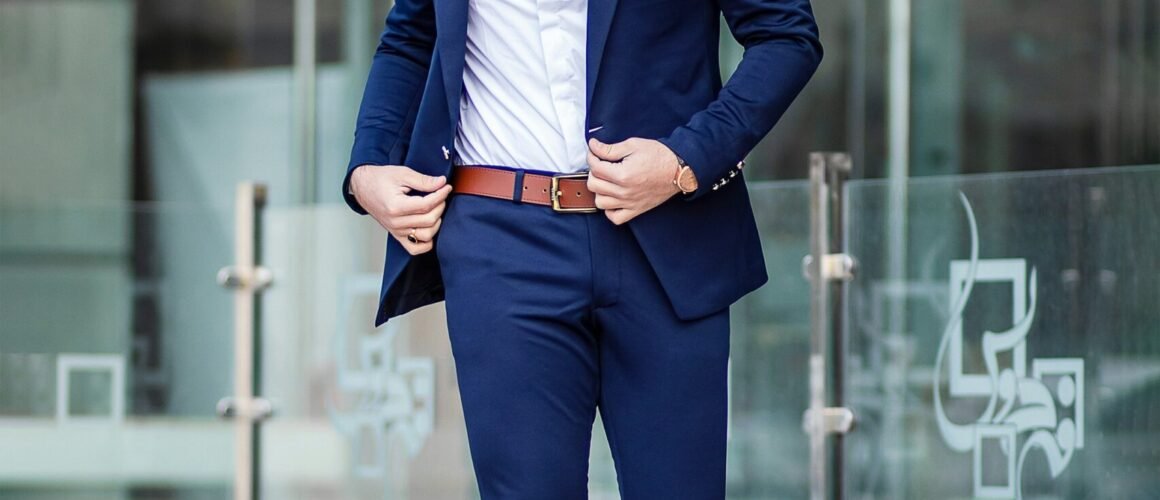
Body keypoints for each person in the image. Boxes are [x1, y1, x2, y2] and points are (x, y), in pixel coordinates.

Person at [342, 0, 821, 497]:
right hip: (500, 245)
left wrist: (688, 157)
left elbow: (785, 36)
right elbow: (410, 38)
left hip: (666, 236)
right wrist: (367, 167)